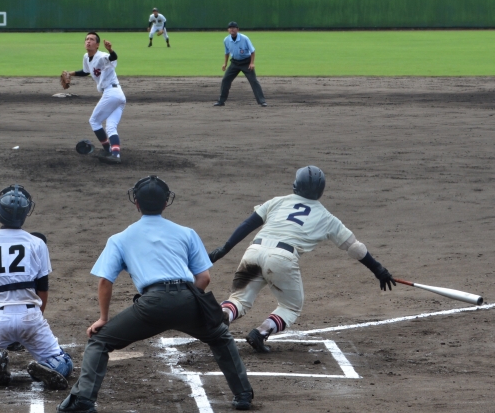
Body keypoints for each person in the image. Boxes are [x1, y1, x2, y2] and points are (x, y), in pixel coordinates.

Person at [57, 176, 254, 413]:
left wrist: (103, 318)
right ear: (165, 203)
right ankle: (243, 395)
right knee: (220, 337)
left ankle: (83, 400)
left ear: (136, 203)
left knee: (99, 341)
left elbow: (105, 281)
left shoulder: (120, 238)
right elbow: (204, 278)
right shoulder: (186, 233)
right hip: (188, 298)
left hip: (151, 305)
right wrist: (185, 304)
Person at [209, 166, 396, 353]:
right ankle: (260, 333)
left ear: (296, 185)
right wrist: (378, 269)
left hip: (254, 251)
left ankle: (225, 313)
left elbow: (247, 225)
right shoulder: (327, 218)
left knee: (239, 299)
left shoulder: (277, 201)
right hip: (282, 258)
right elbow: (355, 247)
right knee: (291, 307)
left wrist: (225, 249)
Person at [0, 184, 73, 389]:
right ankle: (46, 368)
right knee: (63, 364)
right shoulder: (37, 243)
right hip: (31, 316)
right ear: (26, 212)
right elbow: (42, 288)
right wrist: (34, 319)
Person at [65, 32, 125, 164]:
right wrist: (70, 73)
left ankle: (107, 150)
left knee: (94, 121)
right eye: (87, 39)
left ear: (97, 45)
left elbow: (113, 57)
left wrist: (110, 50)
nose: (88, 41)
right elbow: (86, 71)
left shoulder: (102, 56)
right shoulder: (86, 57)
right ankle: (115, 155)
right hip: (118, 95)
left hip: (112, 93)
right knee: (111, 127)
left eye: (92, 39)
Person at [214, 21, 267, 107]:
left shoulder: (244, 38)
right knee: (225, 80)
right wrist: (225, 63)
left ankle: (262, 101)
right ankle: (221, 101)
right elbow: (226, 53)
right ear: (228, 30)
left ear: (237, 29)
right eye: (230, 28)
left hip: (246, 62)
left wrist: (252, 63)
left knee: (253, 81)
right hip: (234, 63)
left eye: (234, 28)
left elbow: (252, 51)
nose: (232, 29)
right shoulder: (226, 40)